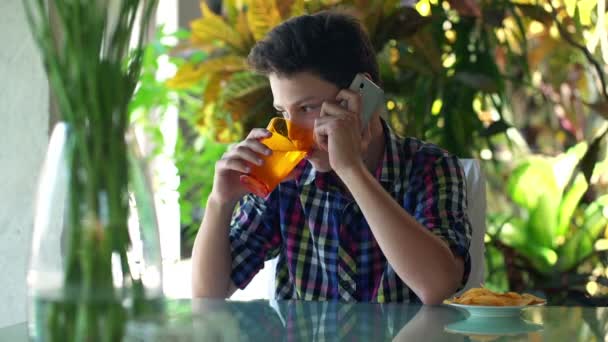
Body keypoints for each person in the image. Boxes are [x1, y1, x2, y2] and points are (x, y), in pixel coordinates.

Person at [191, 10, 471, 304]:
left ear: (361, 95)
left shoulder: (430, 167)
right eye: (284, 112)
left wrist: (351, 170)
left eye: (307, 108)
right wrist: (220, 202)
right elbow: (207, 295)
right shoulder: (286, 179)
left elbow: (437, 287)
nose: (294, 130)